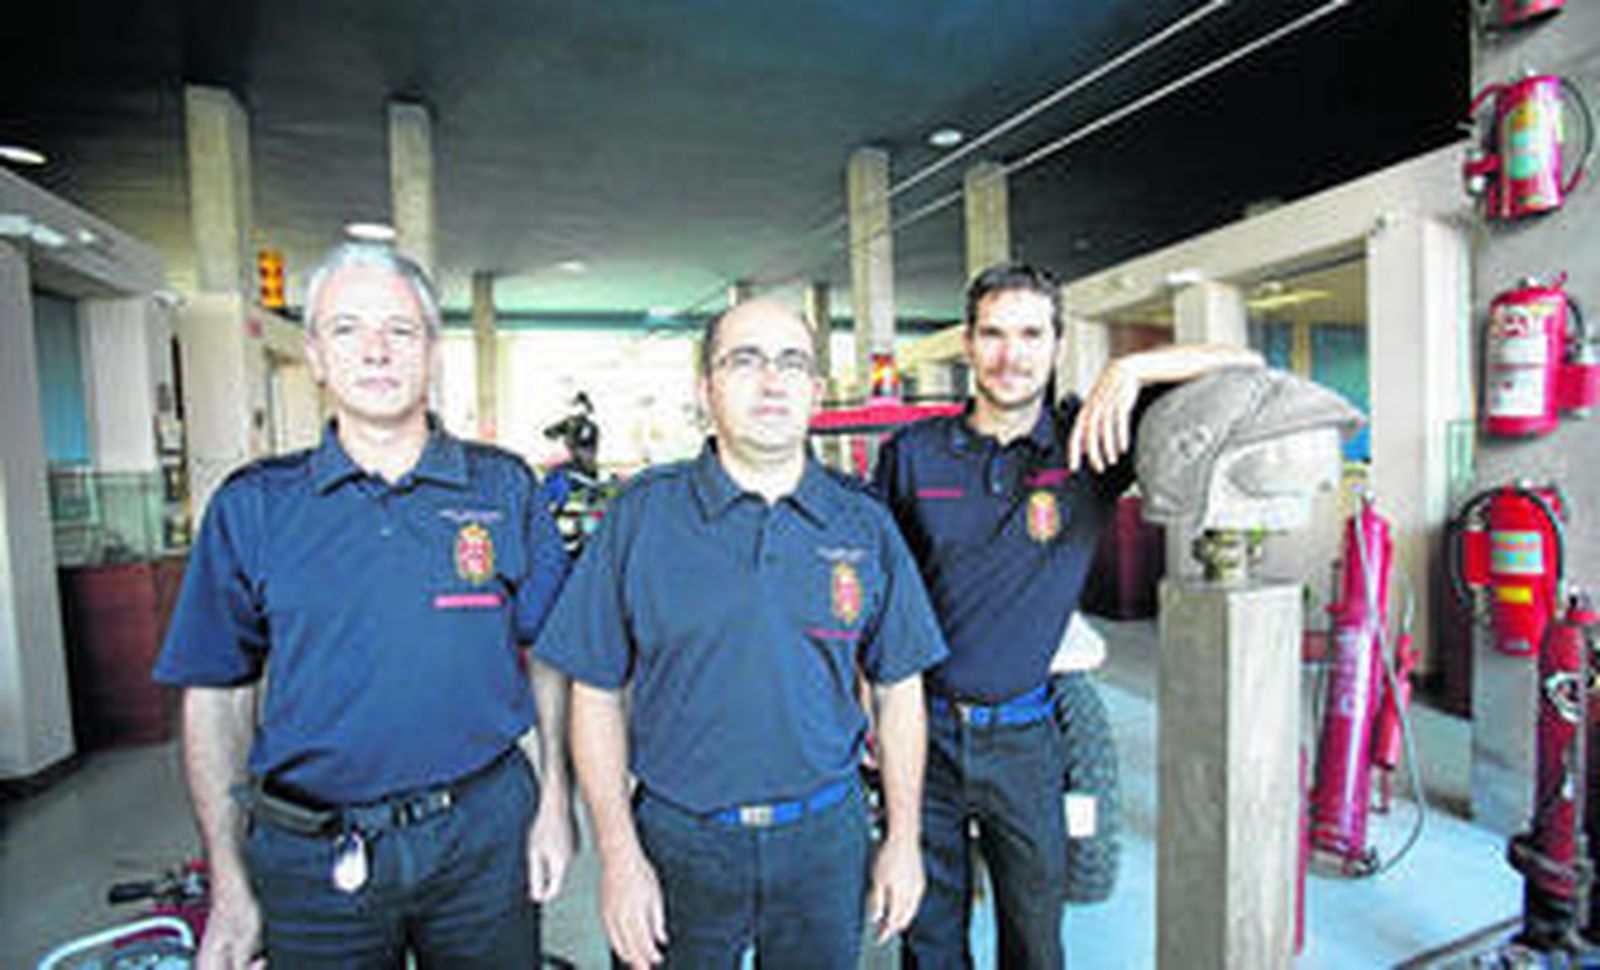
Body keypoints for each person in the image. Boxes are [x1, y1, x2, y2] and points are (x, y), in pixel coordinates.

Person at [153, 241, 575, 969]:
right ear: (316, 355)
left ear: (432, 351)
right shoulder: (254, 506)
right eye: (347, 329)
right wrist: (229, 881)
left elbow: (553, 658)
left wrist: (555, 801)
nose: (376, 350)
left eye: (400, 330)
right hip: (311, 852)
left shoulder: (504, 488)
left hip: (482, 835)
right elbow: (217, 694)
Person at [536, 299, 949, 968]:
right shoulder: (641, 517)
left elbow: (900, 690)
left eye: (792, 362)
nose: (771, 381)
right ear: (706, 390)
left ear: (816, 391)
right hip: (678, 840)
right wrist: (619, 856)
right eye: (745, 361)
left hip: (826, 839)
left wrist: (903, 840)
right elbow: (596, 690)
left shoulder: (864, 523)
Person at [873, 263, 1262, 968]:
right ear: (968, 344)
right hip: (922, 735)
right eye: (993, 334)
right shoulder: (913, 454)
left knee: (1036, 941)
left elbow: (1244, 366)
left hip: (1026, 738)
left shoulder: (1092, 441)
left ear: (1056, 344)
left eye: (1031, 335)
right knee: (928, 945)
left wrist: (1133, 368)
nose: (1010, 355)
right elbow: (879, 600)